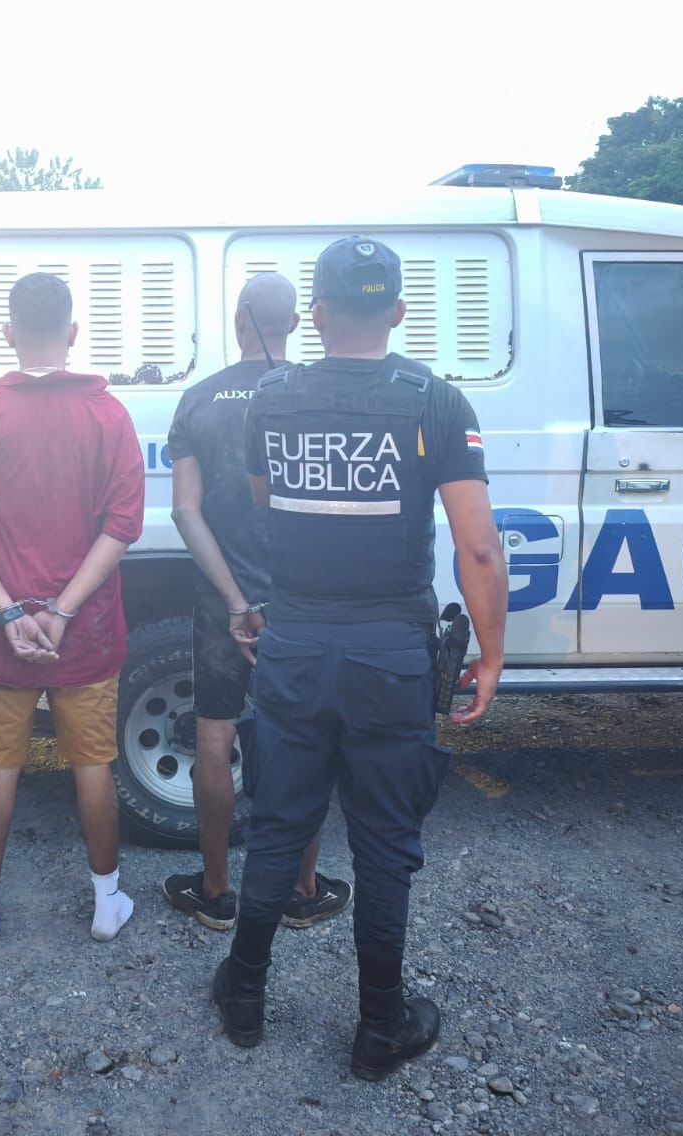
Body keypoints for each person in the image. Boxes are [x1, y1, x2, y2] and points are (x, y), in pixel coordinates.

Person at [210, 236, 507, 1081]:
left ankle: (243, 992)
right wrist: (490, 654)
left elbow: (271, 505)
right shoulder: (437, 402)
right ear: (401, 312)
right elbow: (478, 550)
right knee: (383, 844)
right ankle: (381, 1025)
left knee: (278, 827)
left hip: (296, 645)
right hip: (391, 656)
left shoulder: (270, 398)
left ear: (319, 313)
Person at [0, 272, 145, 945]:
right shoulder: (108, 415)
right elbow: (122, 526)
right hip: (84, 633)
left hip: (1, 638)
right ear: (73, 333)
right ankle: (107, 903)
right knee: (93, 765)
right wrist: (61, 610)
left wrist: (6, 612)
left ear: (9, 333)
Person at [162, 272, 350, 931]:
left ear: (237, 320)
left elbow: (186, 513)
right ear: (296, 324)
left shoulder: (199, 399)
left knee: (214, 734)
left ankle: (215, 893)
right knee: (306, 737)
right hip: (304, 600)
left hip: (224, 600)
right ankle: (301, 890)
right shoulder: (322, 396)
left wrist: (238, 601)